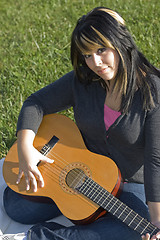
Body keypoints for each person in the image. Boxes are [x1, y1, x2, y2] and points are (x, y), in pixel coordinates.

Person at [3, 6, 160, 240]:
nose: (96, 62)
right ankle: (74, 205)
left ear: (120, 42)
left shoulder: (153, 90)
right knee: (16, 206)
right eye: (87, 55)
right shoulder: (84, 81)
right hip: (81, 165)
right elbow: (36, 102)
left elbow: (155, 158)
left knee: (140, 227)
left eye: (101, 50)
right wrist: (26, 147)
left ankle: (48, 236)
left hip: (127, 181)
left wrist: (157, 218)